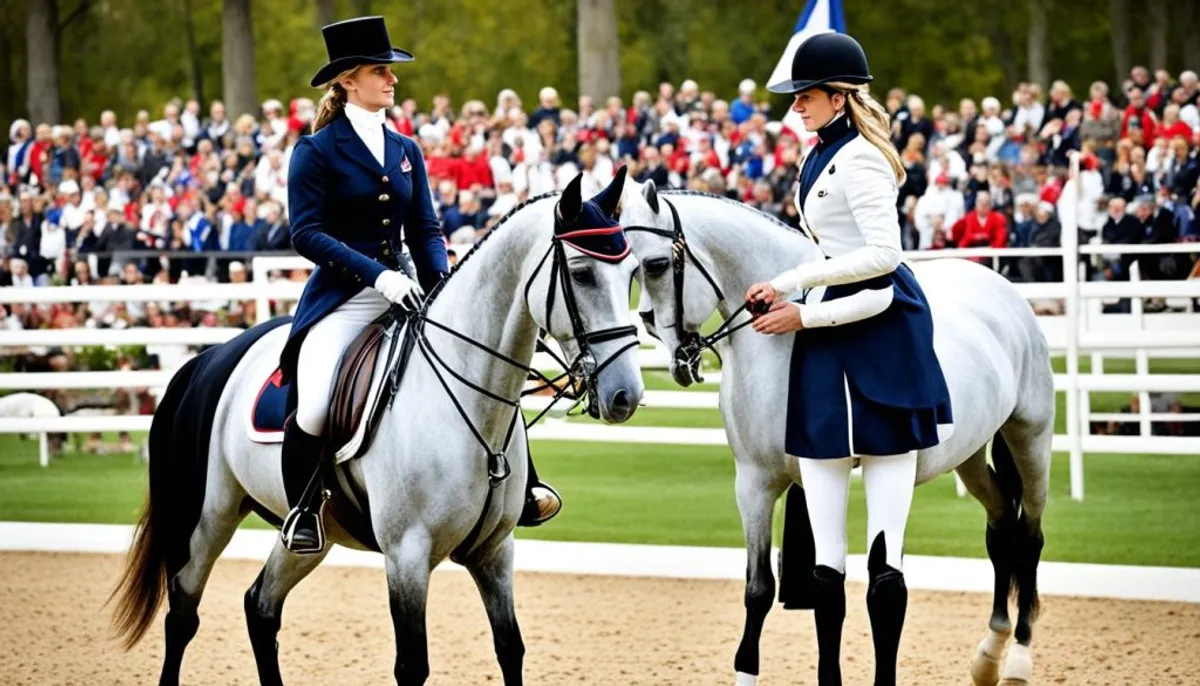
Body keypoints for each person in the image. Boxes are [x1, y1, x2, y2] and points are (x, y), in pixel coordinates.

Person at [279, 16, 559, 555]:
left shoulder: (404, 148)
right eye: (380, 71)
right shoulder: (315, 151)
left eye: (390, 71)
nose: (392, 80)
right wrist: (377, 275)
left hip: (409, 290)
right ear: (347, 81)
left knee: (483, 367)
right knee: (314, 405)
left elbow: (425, 229)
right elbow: (306, 233)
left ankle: (523, 487)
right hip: (344, 299)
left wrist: (442, 288)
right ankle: (303, 509)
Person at [744, 32, 954, 686]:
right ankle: (830, 677)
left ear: (838, 96)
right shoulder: (820, 156)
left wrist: (803, 304)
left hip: (878, 335)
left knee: (886, 549)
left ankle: (884, 679)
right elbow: (831, 254)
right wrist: (784, 283)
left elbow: (884, 260)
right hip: (827, 336)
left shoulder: (860, 159)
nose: (797, 106)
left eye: (805, 96)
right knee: (826, 553)